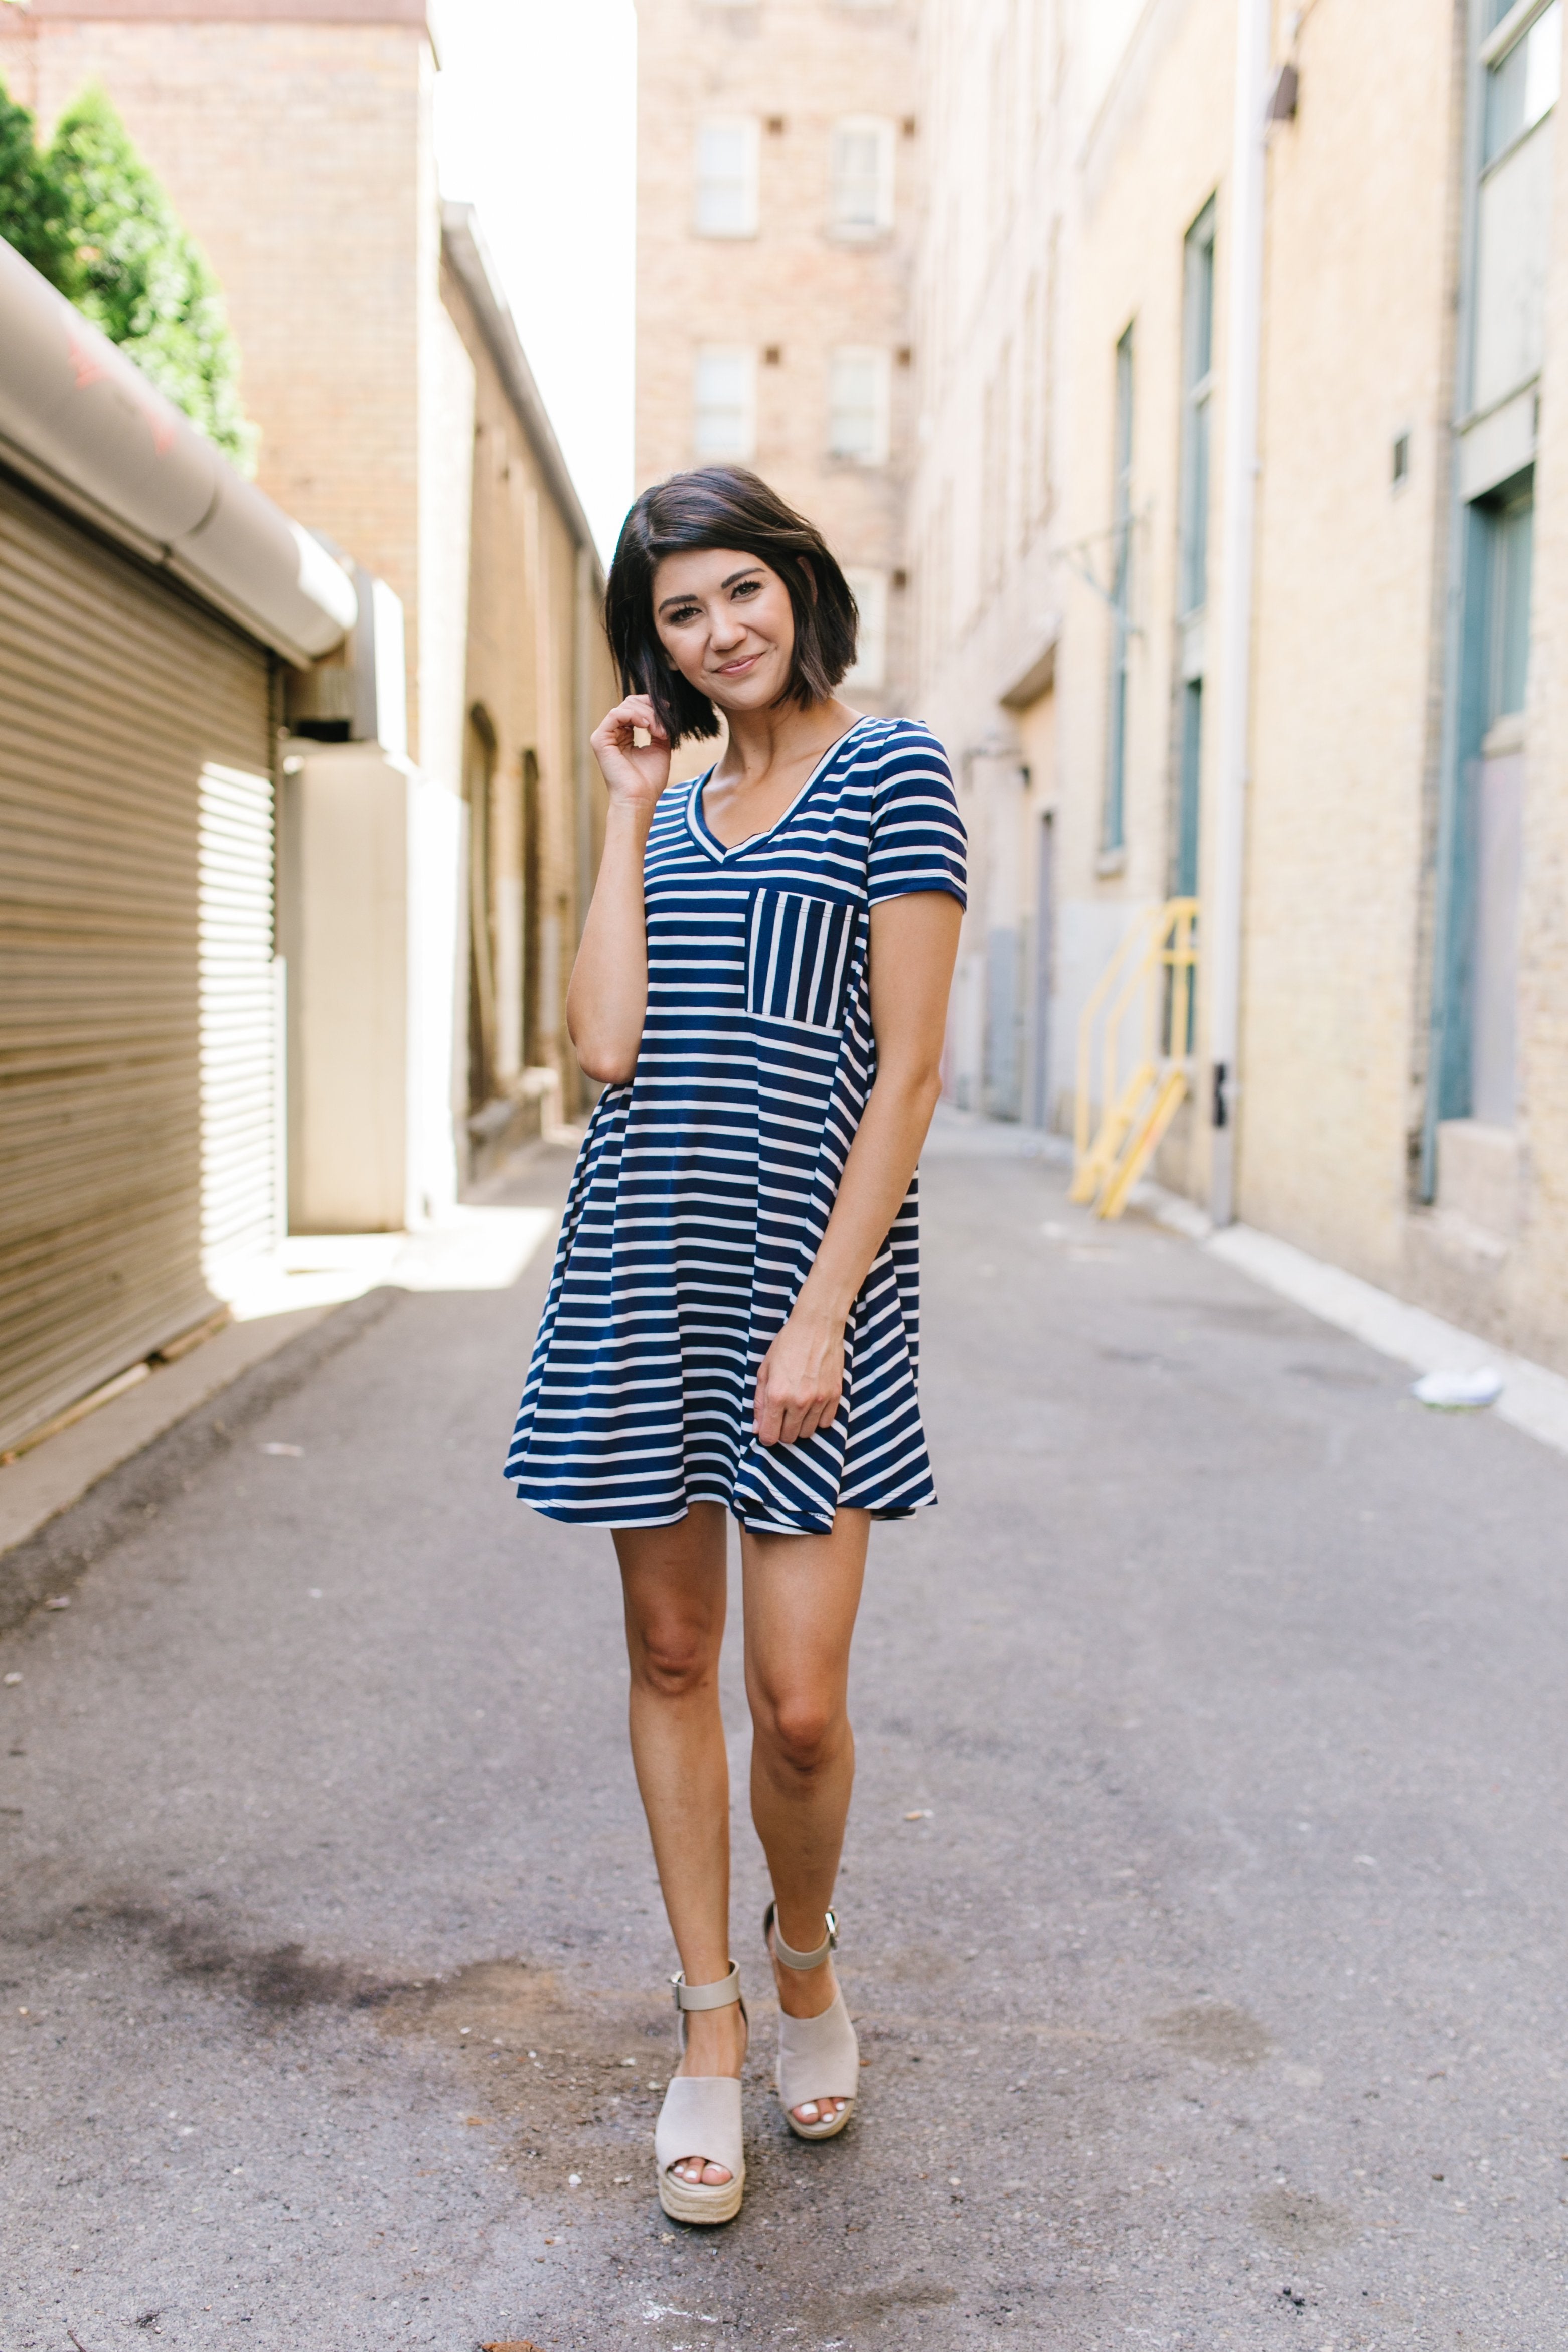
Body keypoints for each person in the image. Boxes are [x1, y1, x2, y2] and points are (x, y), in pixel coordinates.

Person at [505, 466, 965, 2225]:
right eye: (682, 613)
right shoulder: (672, 801)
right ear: (659, 643)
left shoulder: (895, 768)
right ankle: (708, 2023)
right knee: (676, 1654)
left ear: (797, 580)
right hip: (641, 1269)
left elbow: (905, 1073)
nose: (721, 633)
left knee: (799, 1700)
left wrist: (825, 1308)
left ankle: (807, 1959)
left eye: (741, 593)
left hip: (805, 1285)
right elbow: (606, 1046)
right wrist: (627, 813)